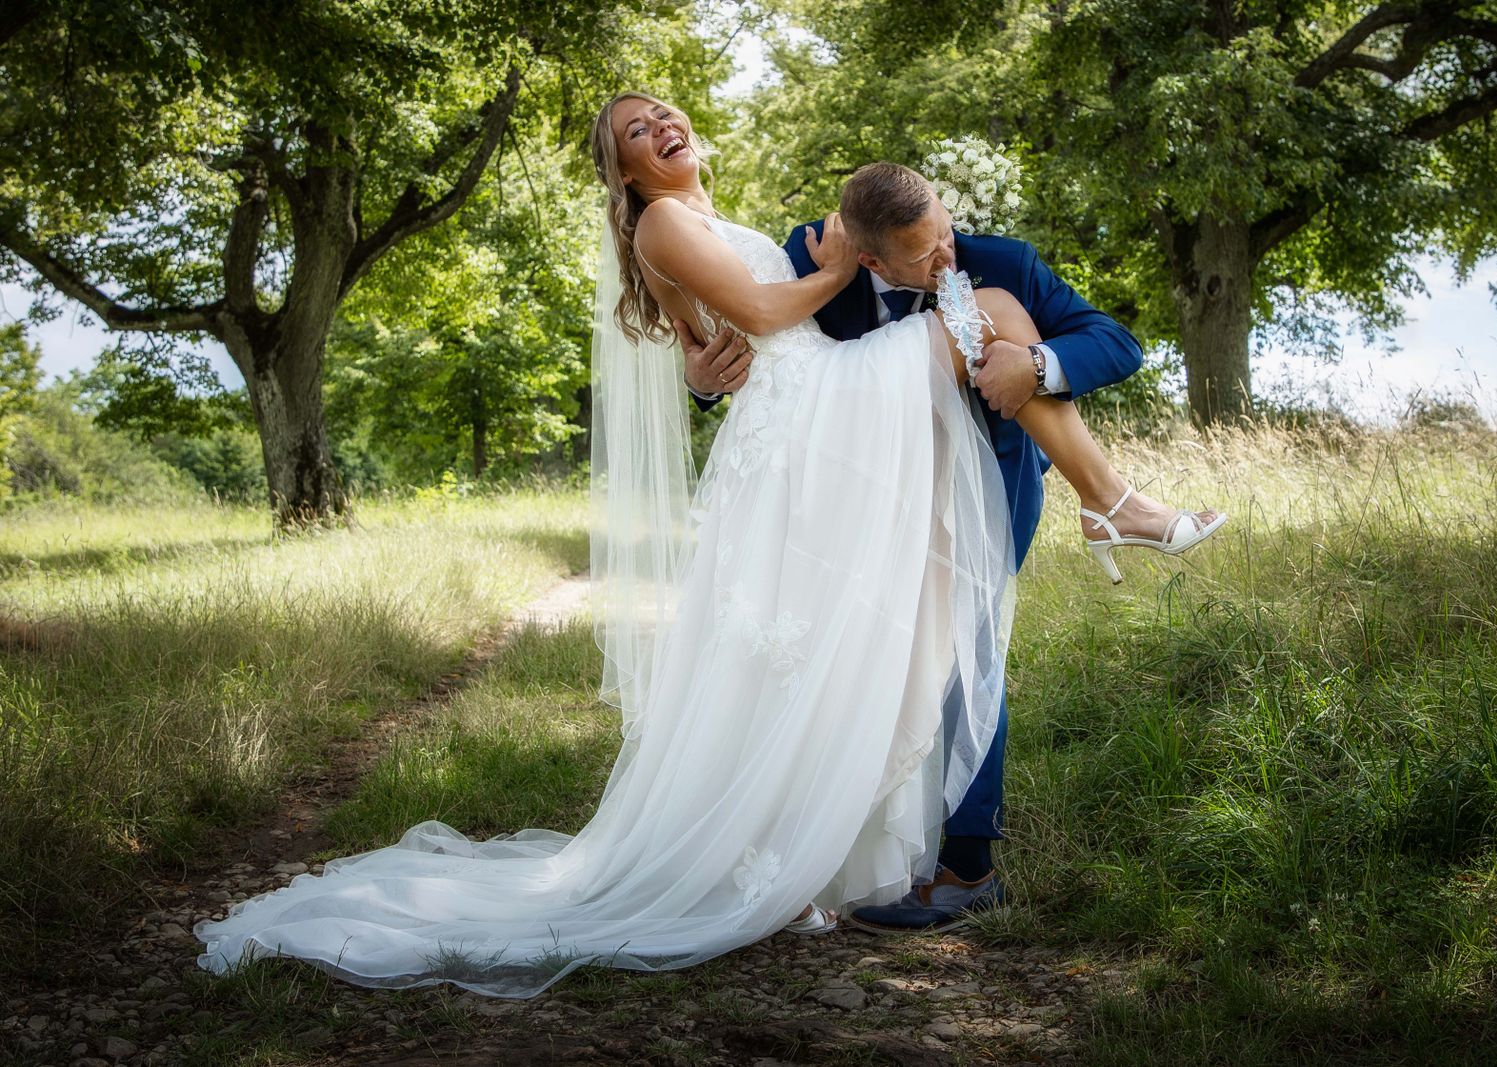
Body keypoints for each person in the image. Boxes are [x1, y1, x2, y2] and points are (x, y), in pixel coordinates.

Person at [188, 91, 1211, 1000]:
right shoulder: (725, 231)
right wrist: (817, 287)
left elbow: (732, 331)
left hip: (908, 446)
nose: (660, 126)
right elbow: (761, 315)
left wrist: (1027, 366)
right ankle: (1110, 505)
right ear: (625, 171)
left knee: (919, 637)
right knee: (983, 327)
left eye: (663, 113)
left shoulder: (752, 229)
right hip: (826, 423)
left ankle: (907, 834)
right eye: (636, 131)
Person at [682, 162, 1223, 932]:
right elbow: (763, 353)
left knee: (966, 649)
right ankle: (833, 842)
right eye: (925, 253)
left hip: (990, 480)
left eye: (945, 231)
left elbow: (1118, 343)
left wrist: (1038, 364)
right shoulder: (809, 258)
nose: (948, 257)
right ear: (869, 259)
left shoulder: (1003, 262)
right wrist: (703, 380)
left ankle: (968, 868)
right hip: (861, 495)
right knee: (858, 654)